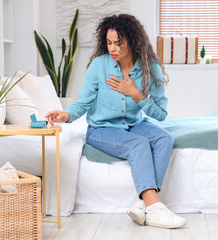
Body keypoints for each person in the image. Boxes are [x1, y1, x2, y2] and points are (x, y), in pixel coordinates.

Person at [45, 14, 187, 229]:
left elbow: (160, 114)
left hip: (135, 124)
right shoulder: (99, 66)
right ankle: (156, 208)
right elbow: (82, 103)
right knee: (138, 144)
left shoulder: (150, 67)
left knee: (163, 138)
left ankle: (144, 203)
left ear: (132, 41)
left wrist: (135, 94)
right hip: (101, 129)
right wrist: (66, 115)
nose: (112, 48)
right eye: (109, 43)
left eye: (118, 44)